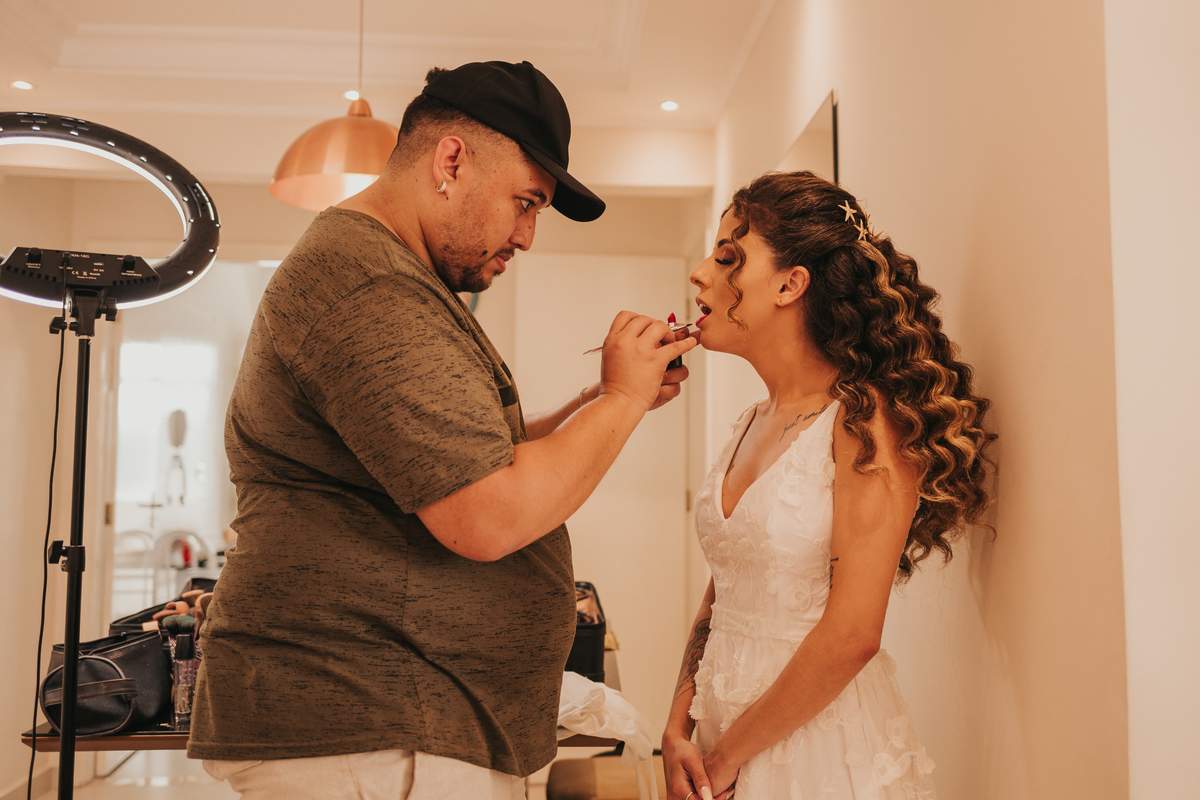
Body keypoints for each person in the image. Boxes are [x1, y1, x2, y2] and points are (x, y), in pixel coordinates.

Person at [188, 61, 697, 799]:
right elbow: (485, 515)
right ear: (450, 160)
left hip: (402, 720)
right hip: (370, 725)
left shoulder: (396, 275)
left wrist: (601, 403)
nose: (526, 236)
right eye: (525, 202)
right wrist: (620, 398)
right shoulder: (367, 283)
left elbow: (473, 455)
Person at [661, 171, 995, 800]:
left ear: (792, 283)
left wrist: (728, 760)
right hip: (715, 736)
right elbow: (725, 590)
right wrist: (678, 726)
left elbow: (852, 635)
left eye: (728, 256)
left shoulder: (866, 421)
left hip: (819, 750)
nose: (701, 273)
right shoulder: (750, 422)